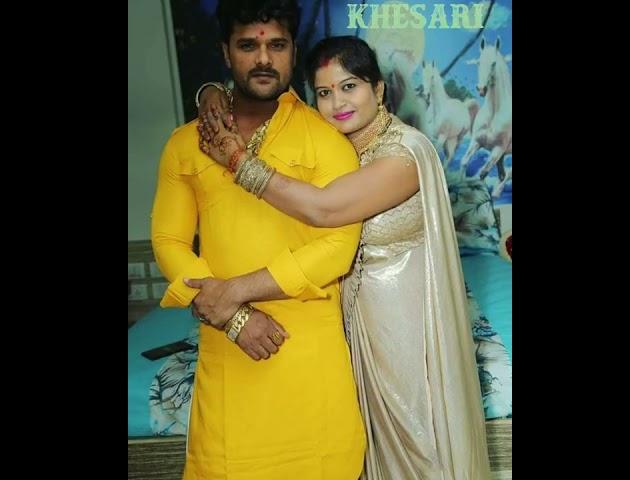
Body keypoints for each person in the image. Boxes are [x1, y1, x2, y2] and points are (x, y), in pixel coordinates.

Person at [196, 36, 492, 479]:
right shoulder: (331, 147)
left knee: (419, 447)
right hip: (348, 329)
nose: (338, 103)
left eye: (349, 86)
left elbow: (324, 209)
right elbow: (269, 100)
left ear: (378, 89)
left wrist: (240, 162)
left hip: (406, 334)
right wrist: (210, 92)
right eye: (325, 92)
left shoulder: (406, 154)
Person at [151, 2, 366, 478]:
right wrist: (234, 318)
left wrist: (236, 293)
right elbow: (168, 241)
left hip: (308, 355)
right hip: (230, 354)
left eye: (277, 45)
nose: (264, 58)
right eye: (248, 45)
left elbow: (338, 247)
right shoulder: (186, 143)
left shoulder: (327, 140)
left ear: (294, 53)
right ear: (226, 53)